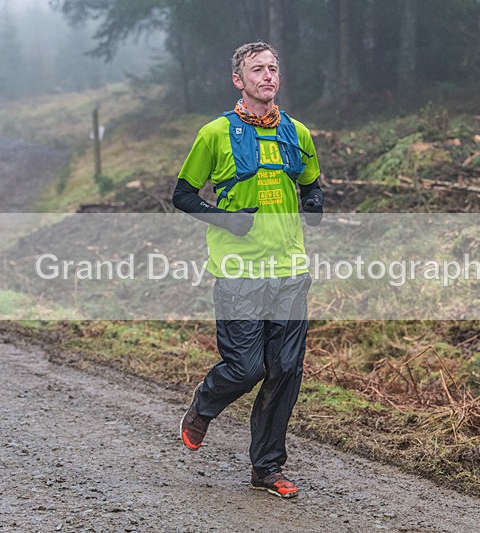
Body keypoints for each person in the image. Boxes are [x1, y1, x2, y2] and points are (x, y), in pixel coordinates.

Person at [172, 41, 324, 499]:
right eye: (257, 70)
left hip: (291, 270)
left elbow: (311, 181)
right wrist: (224, 218)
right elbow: (182, 194)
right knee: (245, 366)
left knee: (286, 370)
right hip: (238, 270)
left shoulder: (298, 132)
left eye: (273, 68)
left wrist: (314, 202)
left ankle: (267, 468)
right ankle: (204, 405)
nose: (267, 76)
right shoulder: (214, 134)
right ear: (238, 80)